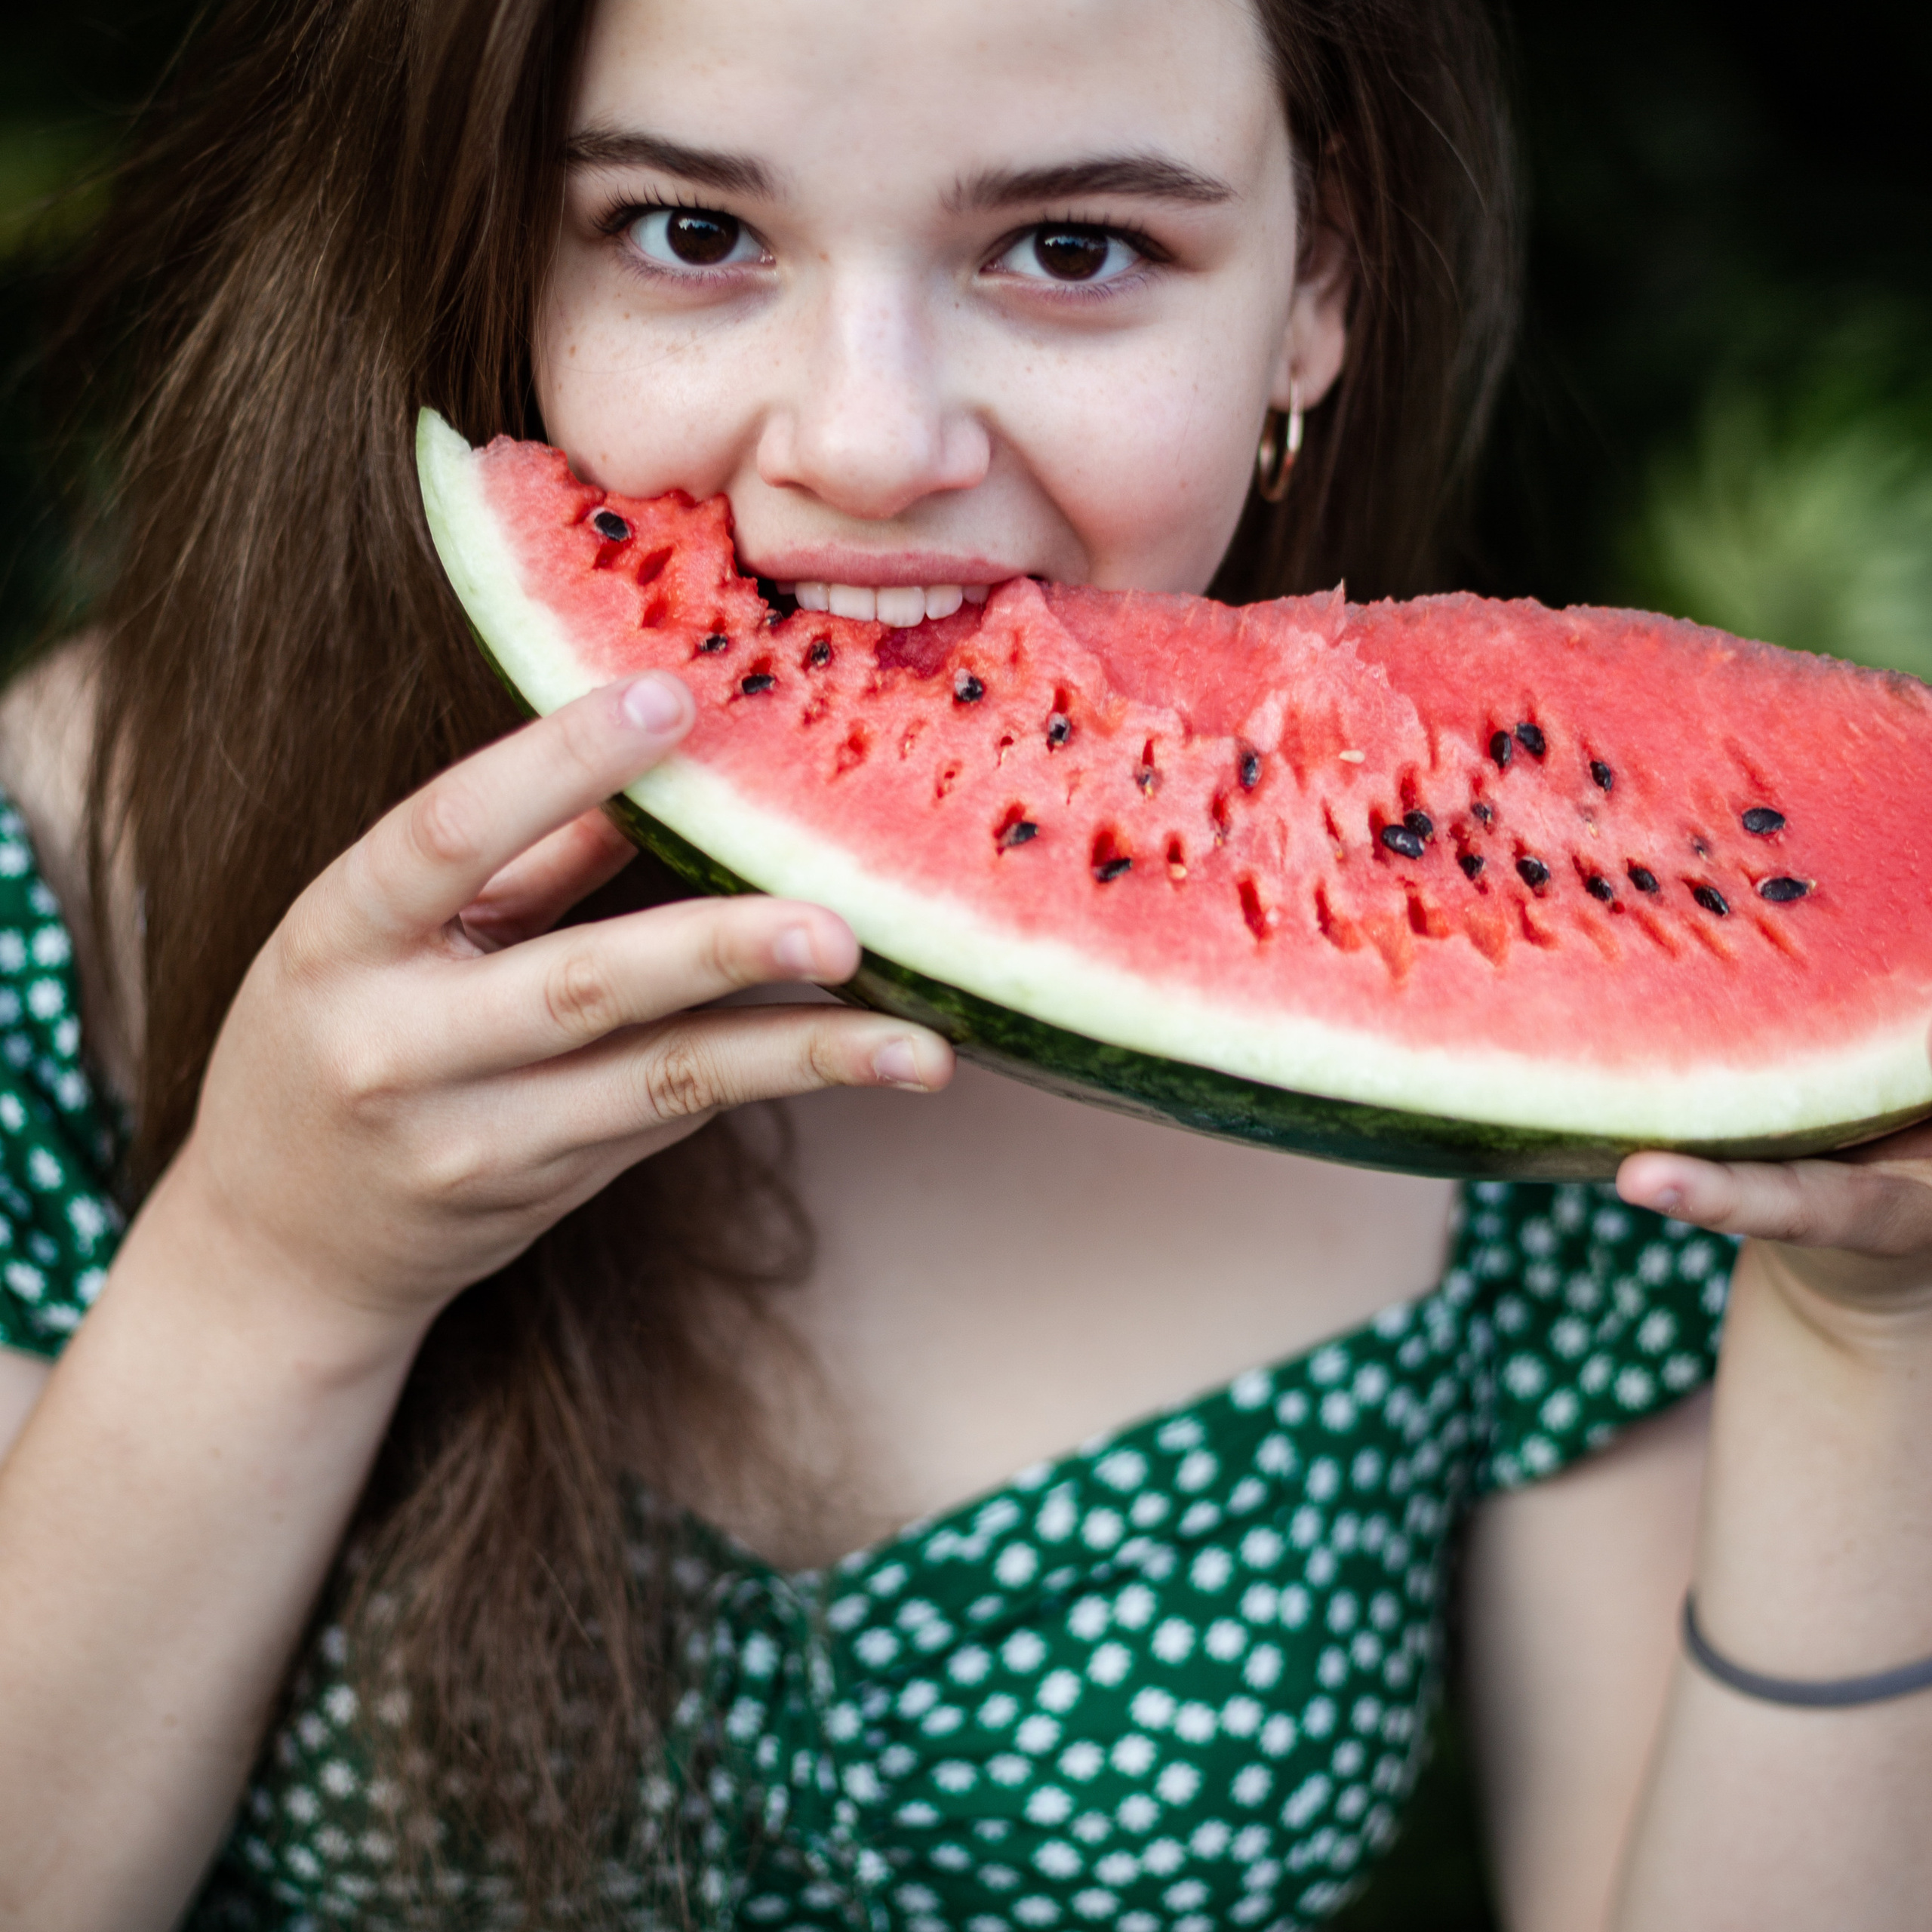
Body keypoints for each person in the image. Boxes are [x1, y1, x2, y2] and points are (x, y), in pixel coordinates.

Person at [1, 0, 1929, 1927]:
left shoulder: (1522, 1016)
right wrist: (273, 1266)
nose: (867, 444)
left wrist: (1877, 1350)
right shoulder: (71, 873)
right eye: (688, 231)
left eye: (1071, 249)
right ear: (489, 235)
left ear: (1314, 283)